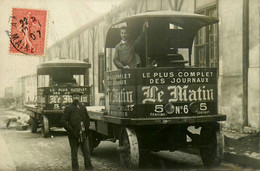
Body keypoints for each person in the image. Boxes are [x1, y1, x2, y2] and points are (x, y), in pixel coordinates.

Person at [60, 91, 93, 171]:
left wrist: (87, 128)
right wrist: (71, 131)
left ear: (80, 97)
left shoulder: (82, 107)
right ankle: (75, 169)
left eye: (77, 96)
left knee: (87, 152)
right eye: (74, 96)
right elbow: (63, 121)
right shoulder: (68, 108)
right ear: (72, 98)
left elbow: (87, 118)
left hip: (84, 134)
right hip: (74, 135)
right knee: (74, 154)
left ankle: (88, 168)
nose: (76, 98)